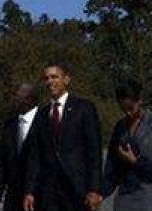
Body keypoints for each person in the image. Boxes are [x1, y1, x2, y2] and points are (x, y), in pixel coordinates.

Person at [23, 63, 103, 211]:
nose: (50, 81)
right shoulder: (41, 114)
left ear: (66, 79)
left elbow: (94, 152)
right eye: (46, 78)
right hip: (49, 192)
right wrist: (29, 191)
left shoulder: (84, 108)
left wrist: (95, 189)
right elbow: (35, 156)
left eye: (54, 77)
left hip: (78, 189)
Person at [102, 80, 152, 210]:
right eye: (124, 109)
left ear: (139, 101)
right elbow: (112, 167)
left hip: (150, 197)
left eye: (131, 108)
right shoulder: (120, 127)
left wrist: (137, 162)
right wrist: (100, 193)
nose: (128, 113)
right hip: (125, 198)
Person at [0, 83, 40, 211]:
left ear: (28, 99)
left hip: (40, 198)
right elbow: (2, 163)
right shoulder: (10, 126)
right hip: (13, 199)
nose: (13, 100)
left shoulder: (46, 121)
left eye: (16, 96)